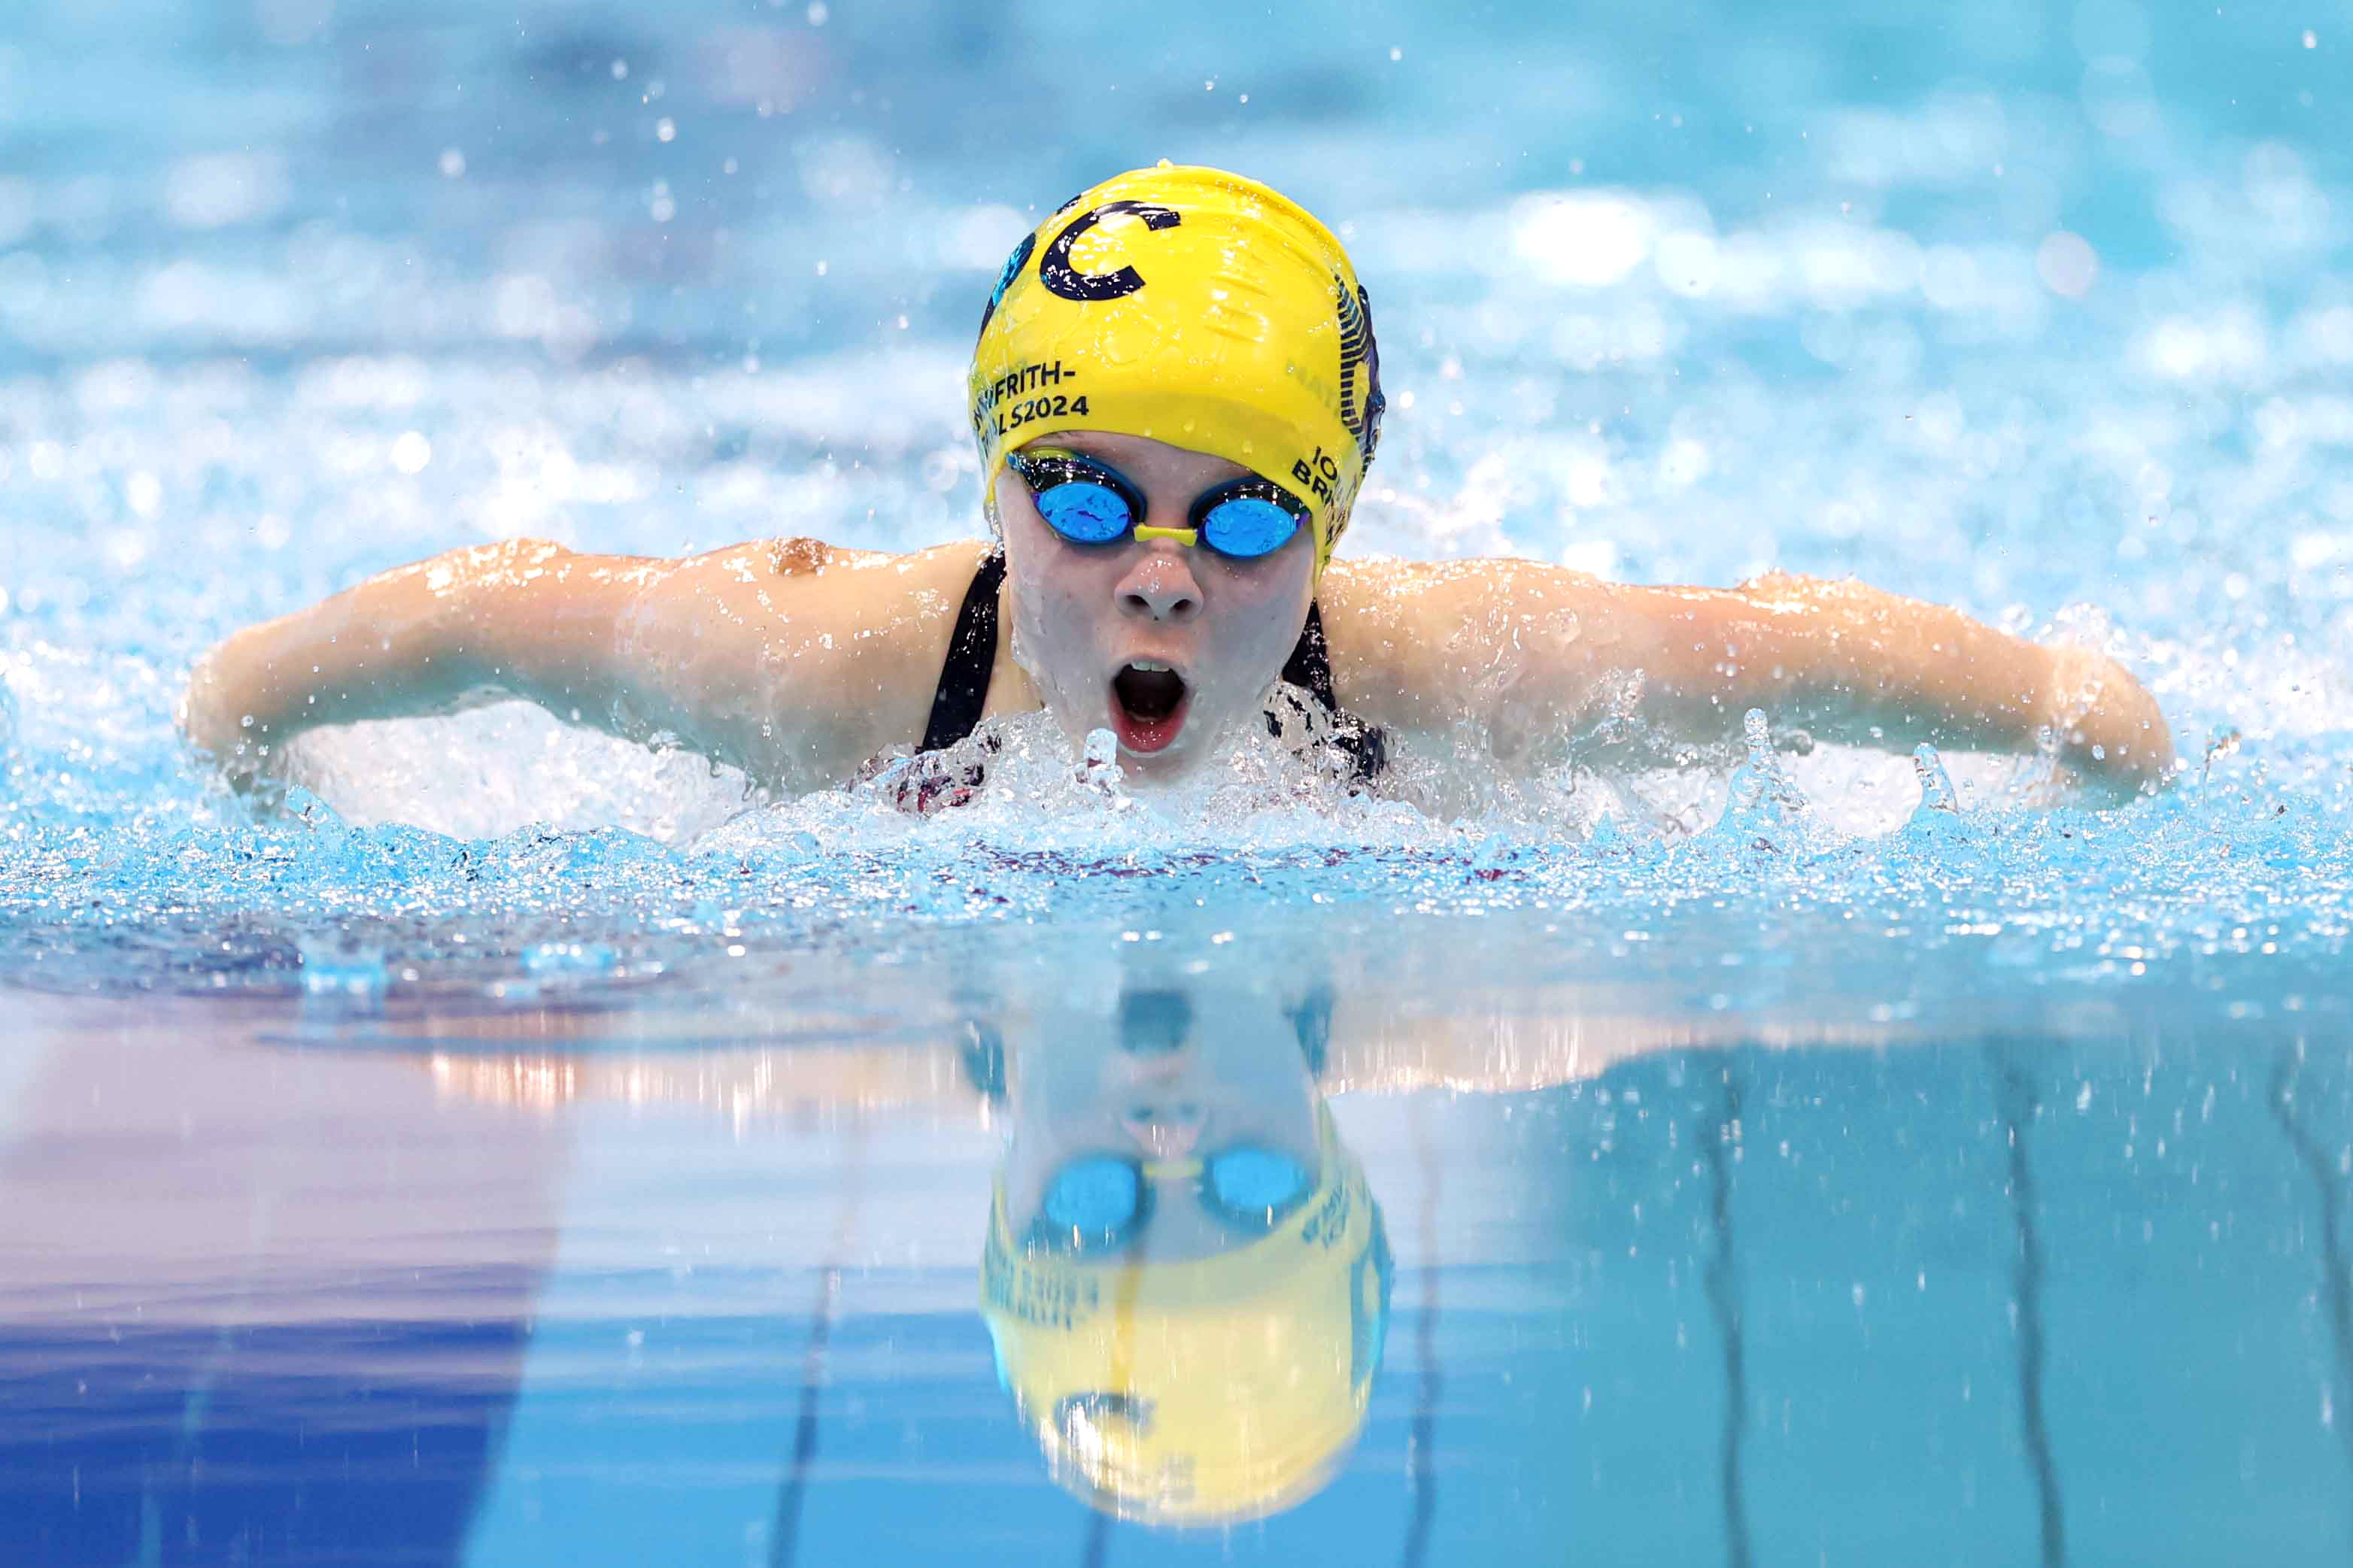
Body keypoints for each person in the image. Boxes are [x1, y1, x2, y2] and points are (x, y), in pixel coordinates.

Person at [179, 164, 2174, 811]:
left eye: (1234, 517)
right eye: (1078, 493)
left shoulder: (1461, 669)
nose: (1154, 578)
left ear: (1331, 530)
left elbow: (1767, 646)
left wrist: (2097, 736)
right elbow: (459, 617)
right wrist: (255, 749)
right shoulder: (819, 674)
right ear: (985, 494)